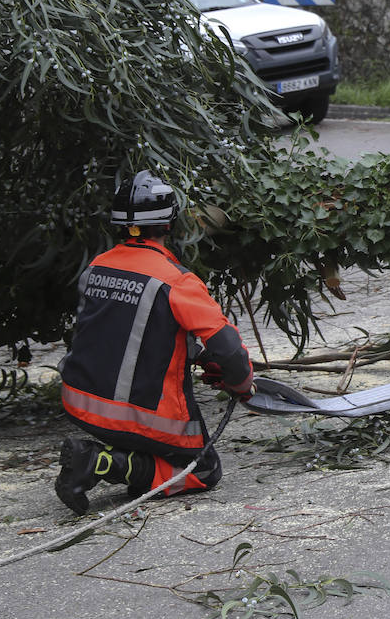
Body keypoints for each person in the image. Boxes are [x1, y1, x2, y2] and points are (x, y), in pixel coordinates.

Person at [54, 170, 255, 513]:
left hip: (79, 405)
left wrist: (202, 357)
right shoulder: (176, 281)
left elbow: (129, 331)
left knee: (152, 442)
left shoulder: (97, 268)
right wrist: (242, 383)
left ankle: (111, 454)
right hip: (135, 419)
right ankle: (101, 462)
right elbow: (230, 350)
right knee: (204, 470)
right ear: (169, 224)